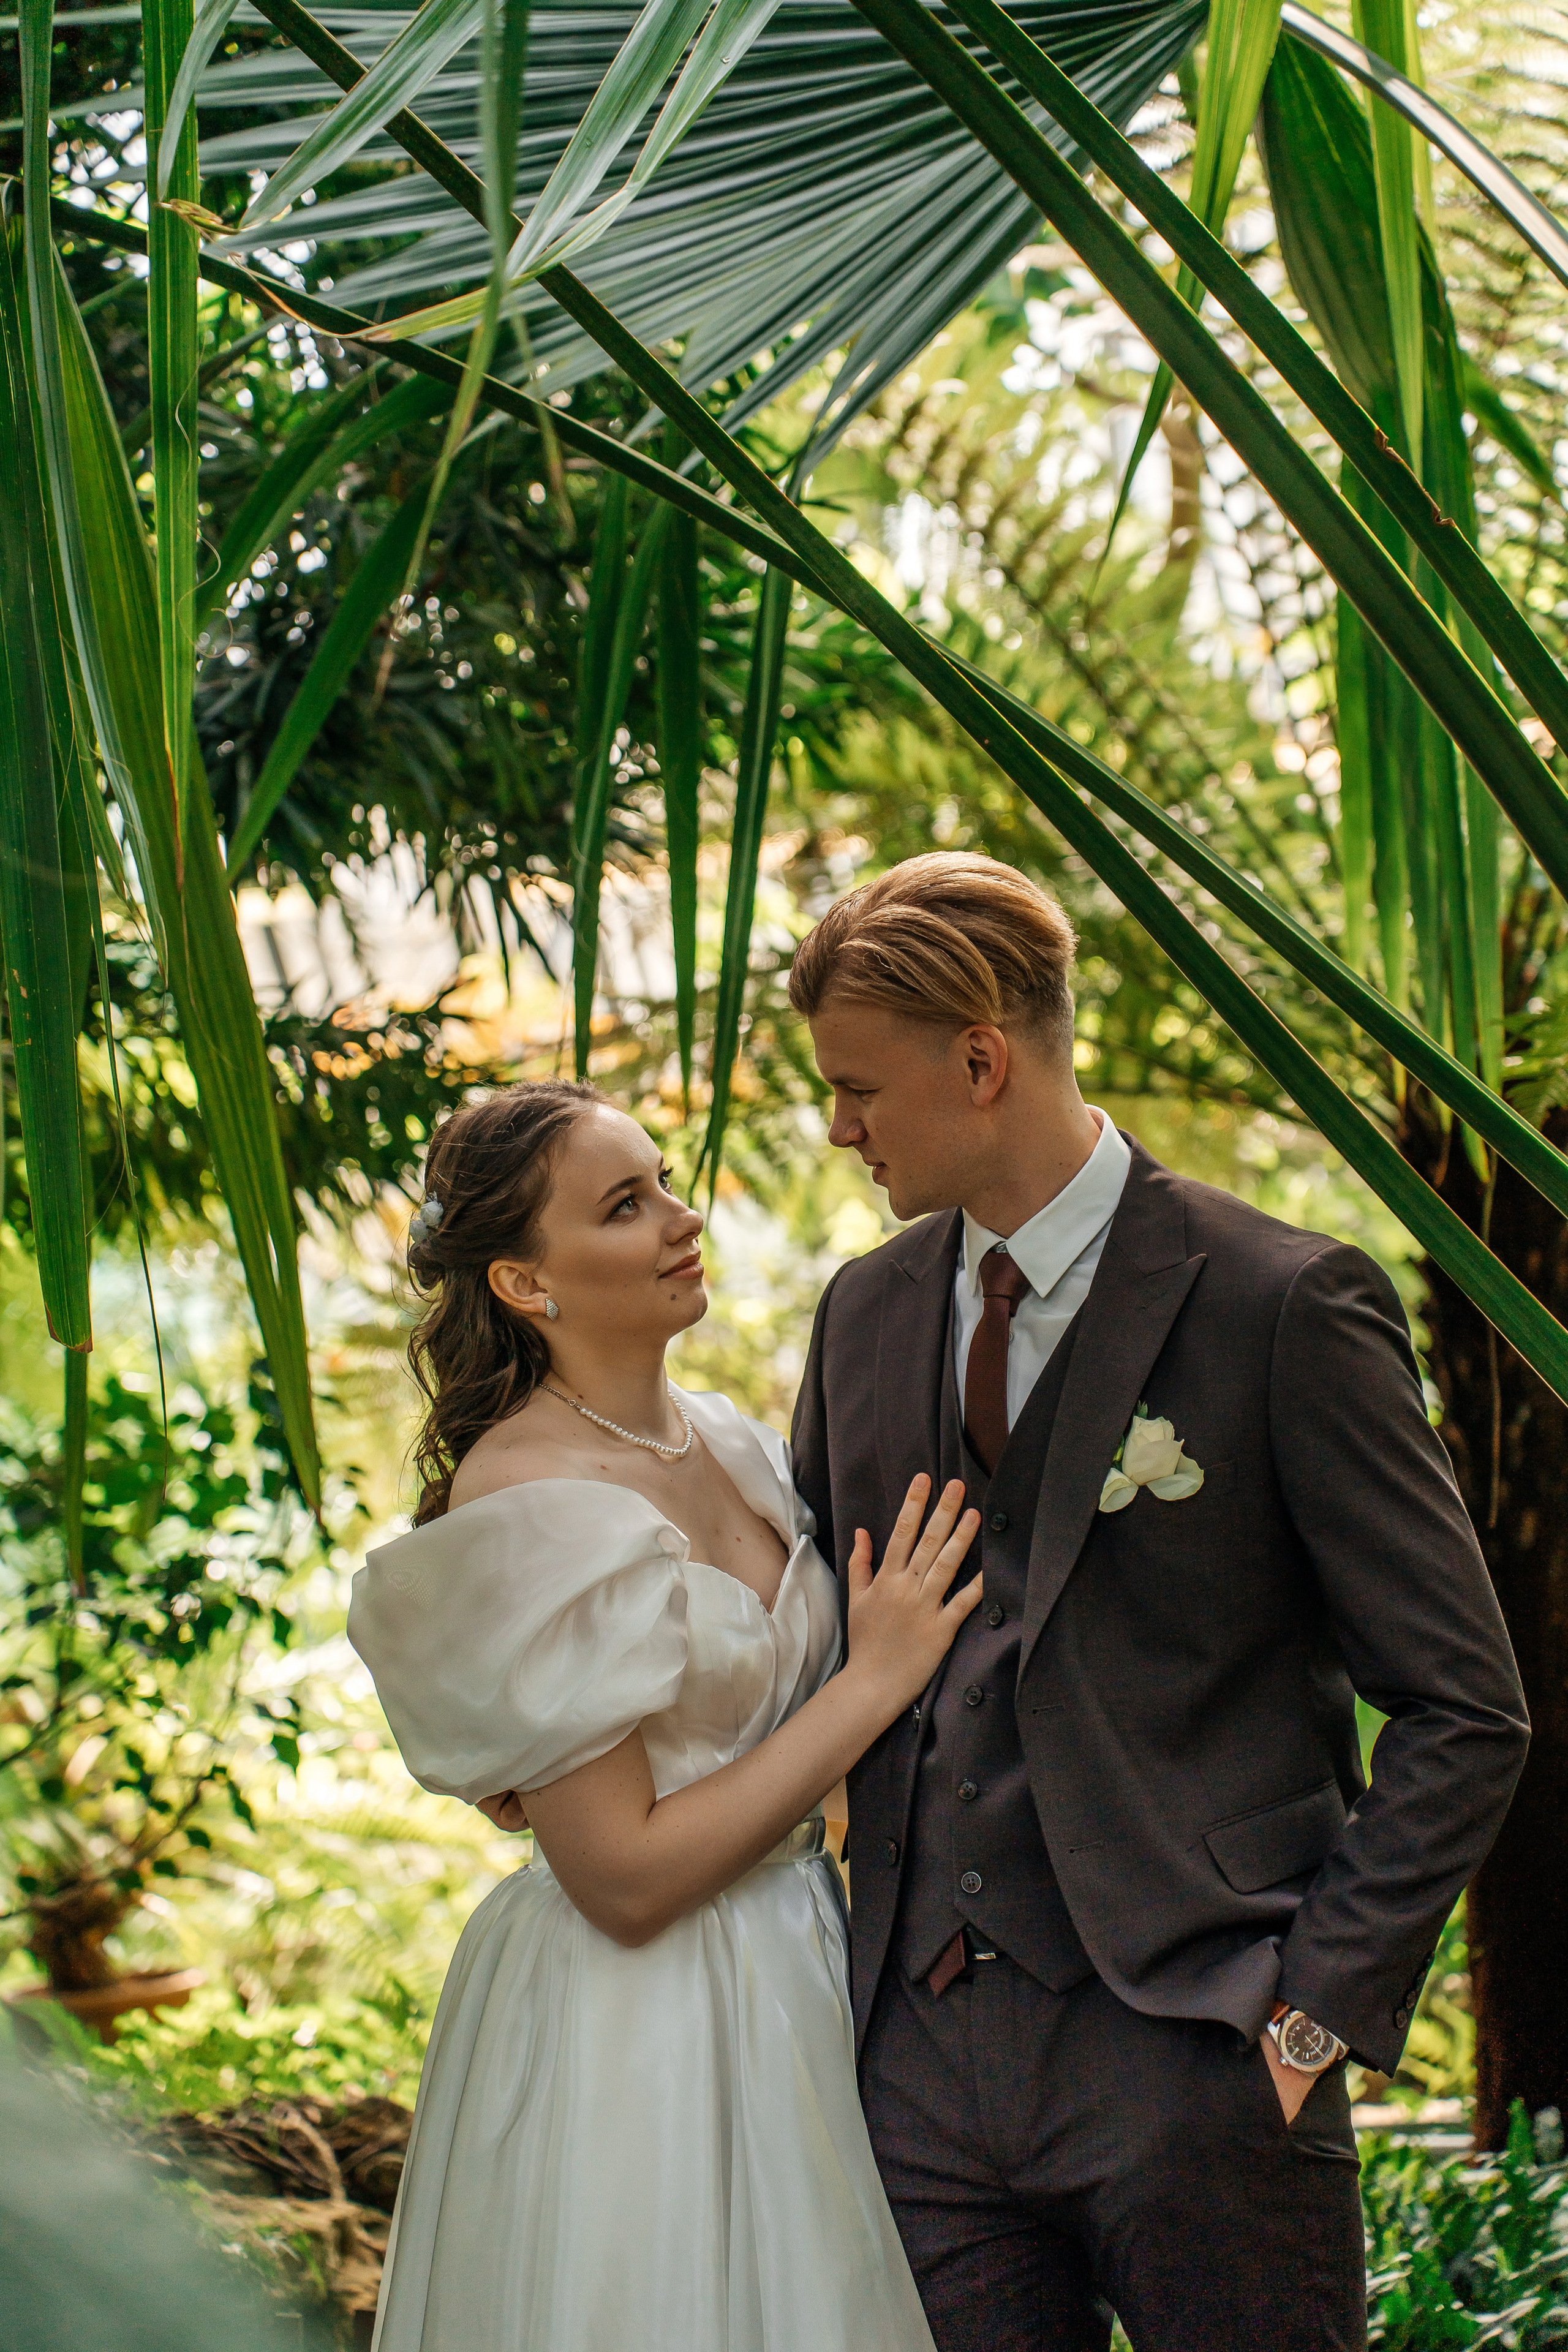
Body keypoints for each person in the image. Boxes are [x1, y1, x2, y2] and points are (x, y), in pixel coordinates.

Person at [788, 853, 1530, 2352]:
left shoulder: (1281, 1304)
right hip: (918, 2078)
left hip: (1198, 2054)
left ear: (981, 1061)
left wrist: (1309, 2011)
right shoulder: (861, 1314)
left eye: (859, 1087)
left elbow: (1463, 1705)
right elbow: (802, 1633)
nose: (839, 1125)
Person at [349, 1080, 982, 2352]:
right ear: (527, 1284)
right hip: (641, 2015)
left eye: (664, 1181)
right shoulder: (525, 1489)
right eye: (625, 1205)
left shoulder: (732, 1443)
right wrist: (870, 1681)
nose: (681, 1220)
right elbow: (623, 1878)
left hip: (800, 1955)